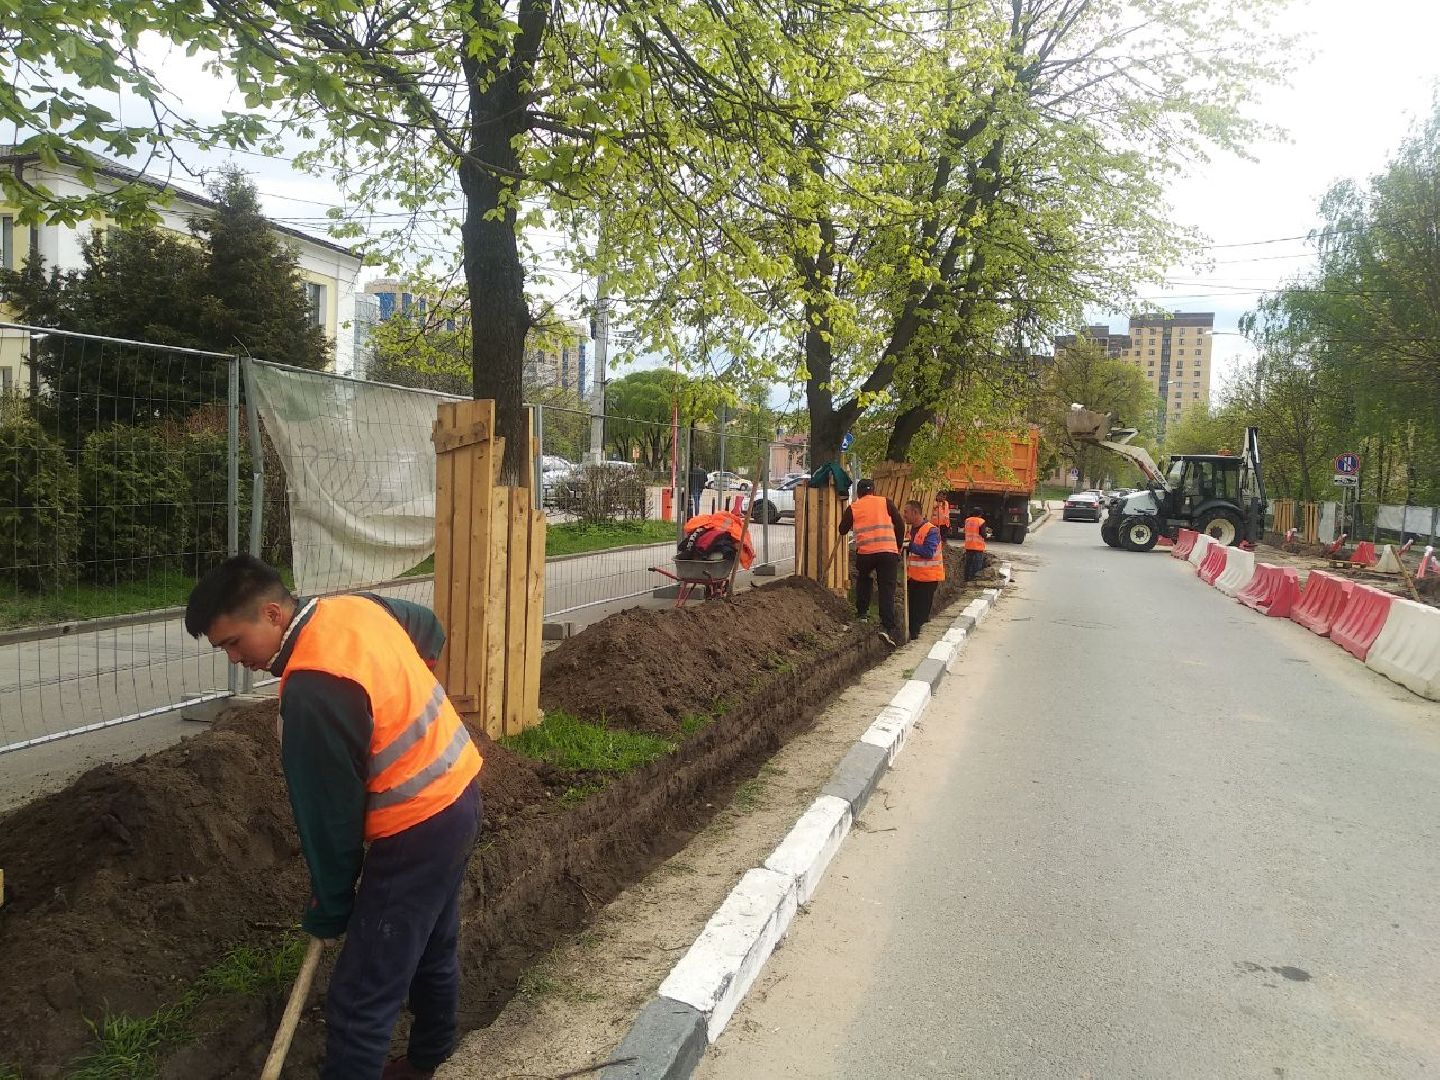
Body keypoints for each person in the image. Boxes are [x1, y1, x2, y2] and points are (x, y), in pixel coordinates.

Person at [184, 554, 482, 1080]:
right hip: (459, 787)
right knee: (432, 943)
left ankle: (412, 1060)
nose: (235, 659)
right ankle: (429, 1059)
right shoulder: (349, 609)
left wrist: (331, 901)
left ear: (273, 614)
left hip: (416, 828)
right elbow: (427, 628)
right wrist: (399, 695)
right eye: (222, 648)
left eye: (234, 642)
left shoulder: (315, 687)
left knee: (360, 997)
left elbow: (329, 821)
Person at [838, 478, 905, 645]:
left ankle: (862, 614)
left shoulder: (854, 507)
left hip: (866, 553)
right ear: (873, 490)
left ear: (859, 493)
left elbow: (842, 529)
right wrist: (897, 546)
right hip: (888, 552)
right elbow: (900, 524)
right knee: (886, 588)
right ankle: (887, 626)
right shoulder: (885, 502)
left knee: (864, 579)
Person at [903, 499, 945, 639]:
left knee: (920, 612)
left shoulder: (931, 531)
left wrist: (910, 546)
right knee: (912, 611)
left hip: (928, 578)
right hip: (913, 577)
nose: (904, 515)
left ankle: (915, 638)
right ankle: (912, 636)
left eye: (906, 512)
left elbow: (928, 552)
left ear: (915, 513)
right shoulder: (911, 531)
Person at [963, 505, 990, 582]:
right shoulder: (981, 521)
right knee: (977, 565)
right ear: (980, 514)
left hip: (969, 546)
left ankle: (966, 579)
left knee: (968, 564)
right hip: (978, 547)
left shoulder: (967, 520)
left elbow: (966, 530)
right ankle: (974, 580)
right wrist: (987, 535)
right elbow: (983, 534)